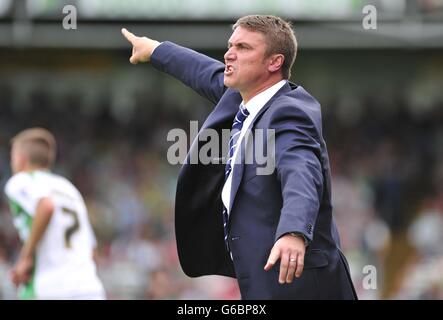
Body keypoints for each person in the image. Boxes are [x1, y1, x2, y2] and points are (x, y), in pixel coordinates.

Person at [122, 15, 357, 299]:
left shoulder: (289, 112)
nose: (229, 53)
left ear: (274, 62)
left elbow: (302, 172)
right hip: (262, 279)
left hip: (300, 283)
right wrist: (156, 50)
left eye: (243, 47)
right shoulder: (243, 98)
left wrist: (294, 231)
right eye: (230, 45)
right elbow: (205, 72)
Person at [4, 128, 106, 299]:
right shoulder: (69, 188)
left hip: (50, 287)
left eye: (12, 157)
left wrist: (25, 258)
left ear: (21, 159)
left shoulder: (20, 181)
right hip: (90, 288)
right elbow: (92, 251)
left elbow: (46, 206)